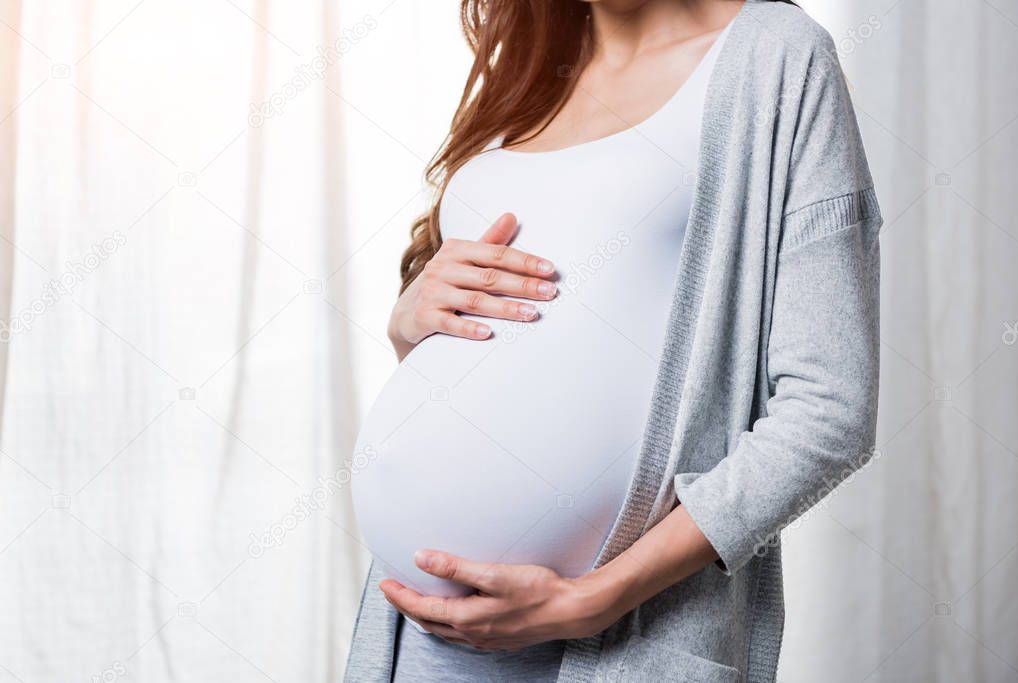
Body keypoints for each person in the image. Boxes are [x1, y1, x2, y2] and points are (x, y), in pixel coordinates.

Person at [346, 1, 882, 680]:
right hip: (419, 631)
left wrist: (598, 597)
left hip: (622, 634)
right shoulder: (533, 59)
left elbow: (829, 411)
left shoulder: (776, 57)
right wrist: (407, 321)